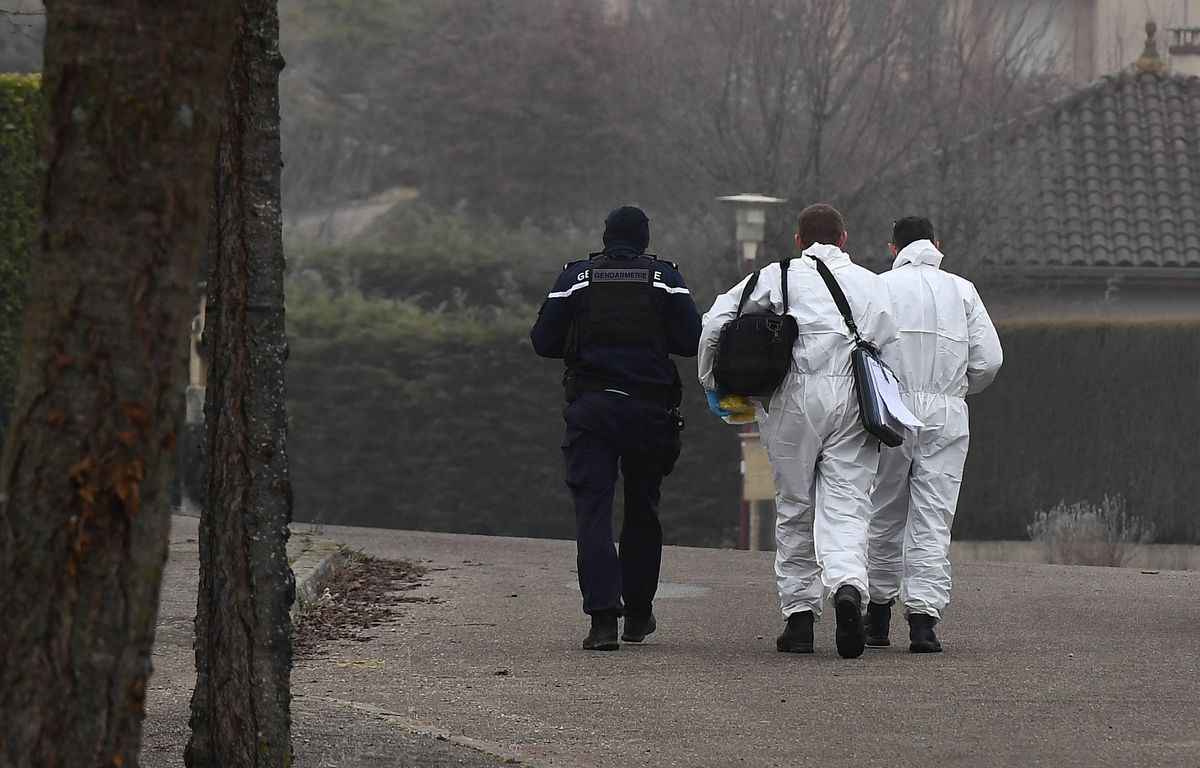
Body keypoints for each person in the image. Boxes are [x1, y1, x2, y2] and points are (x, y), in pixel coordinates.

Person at [698, 203, 896, 659]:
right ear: (843, 239)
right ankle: (848, 585)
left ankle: (800, 619)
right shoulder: (872, 283)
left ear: (798, 241)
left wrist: (713, 382)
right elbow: (891, 347)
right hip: (854, 396)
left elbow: (714, 323)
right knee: (848, 501)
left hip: (793, 395)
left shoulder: (777, 275)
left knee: (794, 505)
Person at [531, 205, 702, 651]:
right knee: (643, 509)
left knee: (594, 512)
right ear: (644, 240)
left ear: (605, 238)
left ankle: (603, 620)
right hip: (648, 411)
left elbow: (543, 341)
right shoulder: (666, 279)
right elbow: (691, 341)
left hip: (592, 410)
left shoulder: (576, 278)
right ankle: (639, 614)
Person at [864, 216, 1003, 653]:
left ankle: (877, 615)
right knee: (933, 515)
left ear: (893, 248)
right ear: (937, 244)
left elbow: (860, 351)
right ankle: (923, 622)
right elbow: (990, 360)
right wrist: (957, 390)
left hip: (891, 409)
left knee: (882, 510)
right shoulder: (963, 290)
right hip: (946, 412)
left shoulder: (878, 287)